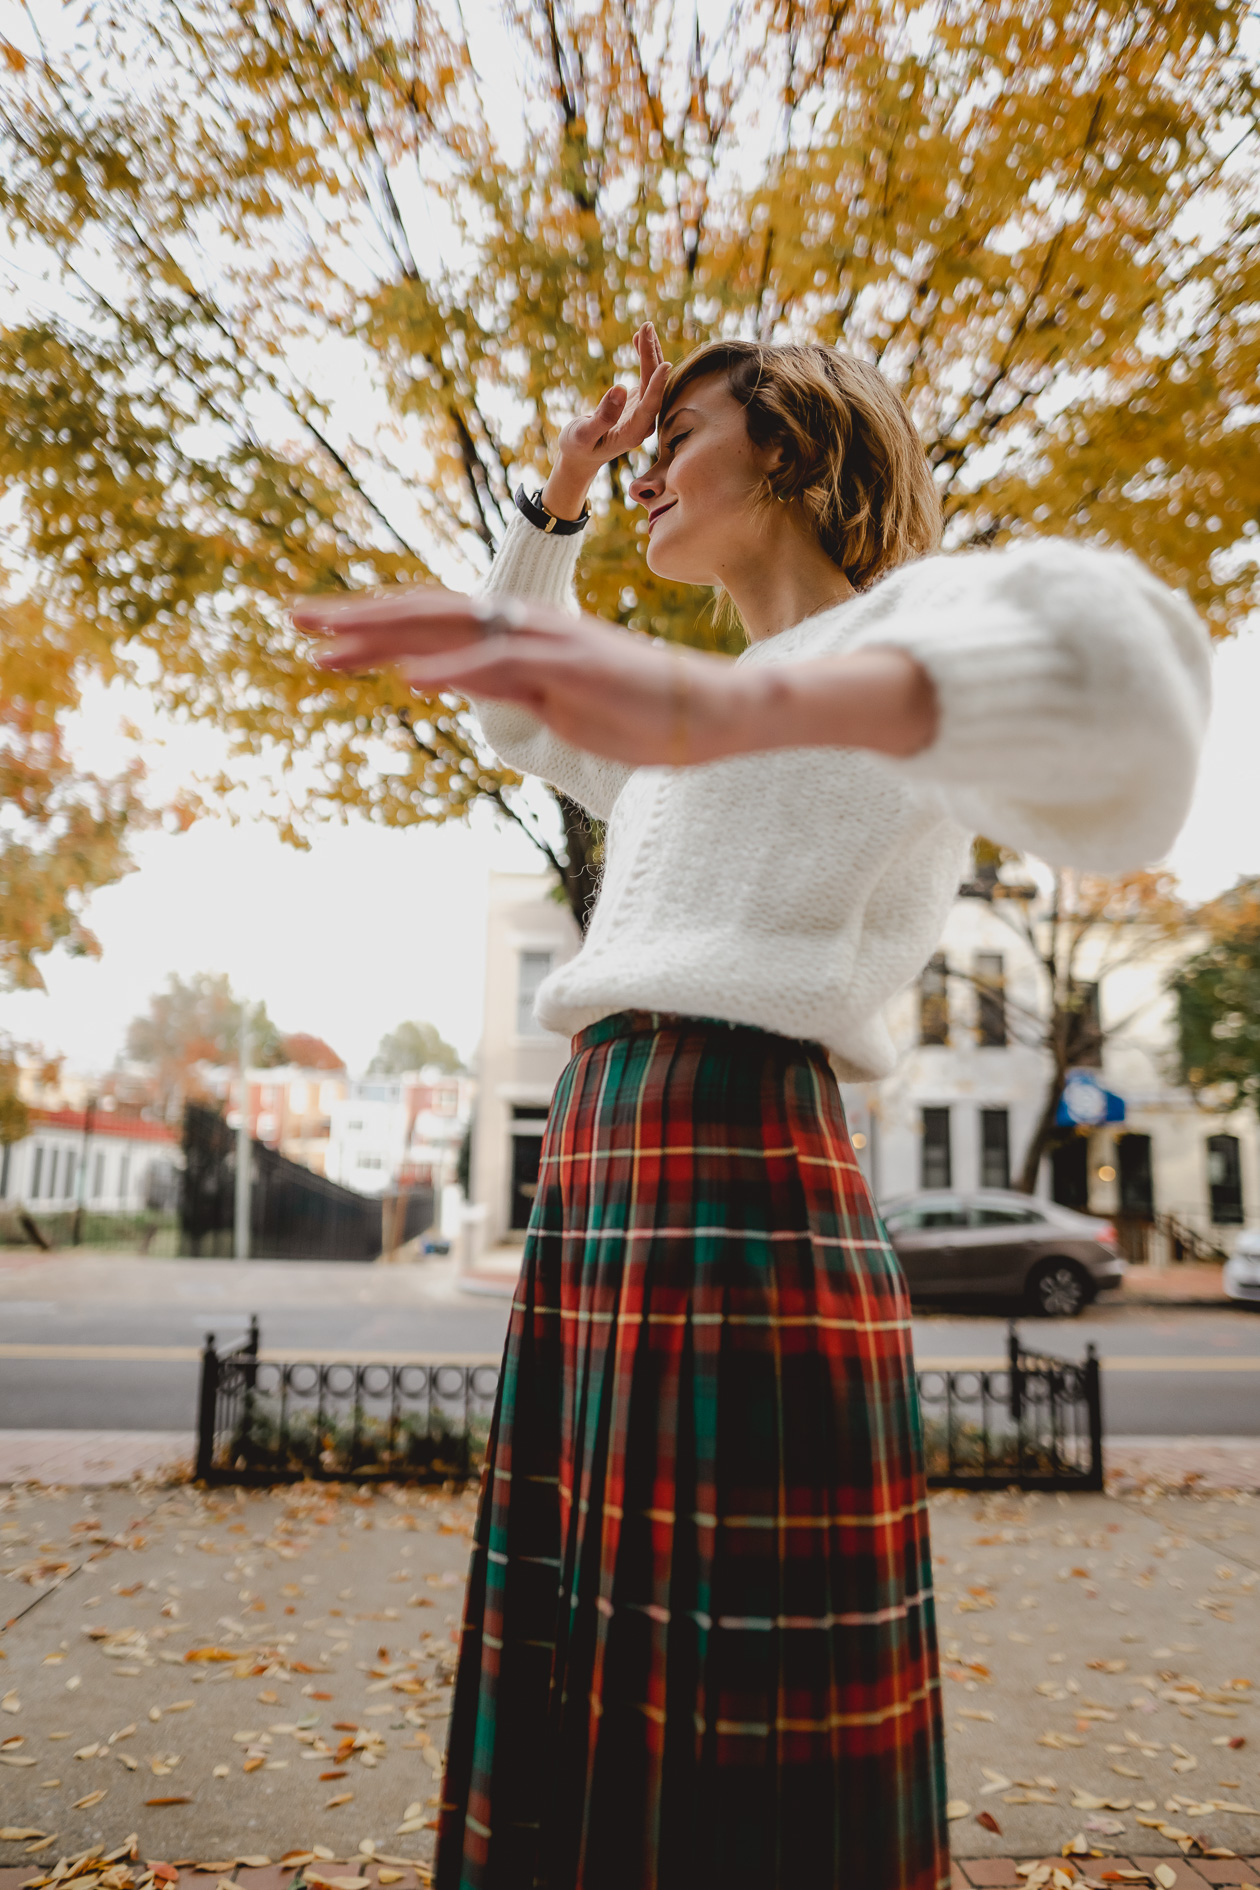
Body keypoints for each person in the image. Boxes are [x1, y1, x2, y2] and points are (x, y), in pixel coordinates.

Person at [296, 325, 1210, 1890]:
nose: (651, 463)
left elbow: (1143, 709)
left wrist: (735, 711)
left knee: (743, 1690)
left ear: (785, 448)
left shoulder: (900, 645)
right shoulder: (680, 727)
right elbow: (522, 706)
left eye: (681, 433)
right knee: (586, 1643)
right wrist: (561, 499)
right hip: (606, 1166)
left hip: (743, 1162)